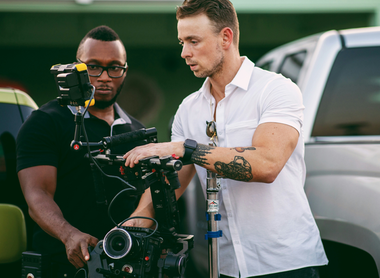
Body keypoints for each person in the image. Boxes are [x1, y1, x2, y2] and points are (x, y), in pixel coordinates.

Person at [122, 1, 328, 277]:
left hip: (285, 263)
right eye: (182, 42)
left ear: (226, 37)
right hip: (222, 265)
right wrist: (129, 229)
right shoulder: (189, 108)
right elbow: (173, 183)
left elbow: (266, 164)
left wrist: (187, 148)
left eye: (194, 41)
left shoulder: (275, 89)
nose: (184, 52)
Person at [16, 25, 145, 277]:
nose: (105, 77)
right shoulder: (45, 121)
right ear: (78, 68)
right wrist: (68, 235)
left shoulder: (136, 130)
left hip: (123, 266)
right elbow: (37, 194)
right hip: (62, 266)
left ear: (124, 70)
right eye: (94, 66)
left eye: (115, 67)